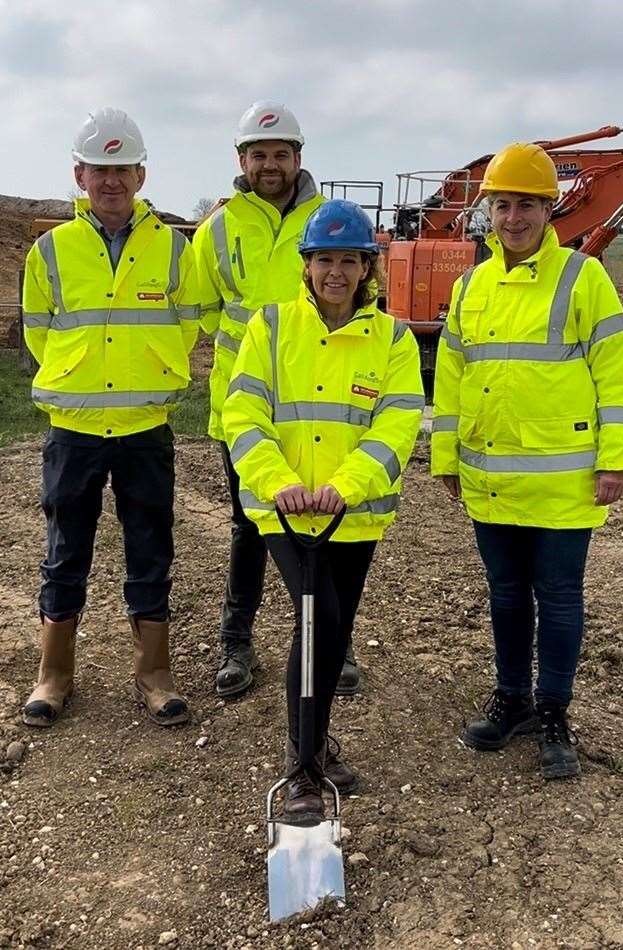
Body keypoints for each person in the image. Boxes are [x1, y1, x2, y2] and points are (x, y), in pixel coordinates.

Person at [431, 142, 623, 779]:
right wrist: (445, 456)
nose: (513, 217)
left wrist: (617, 461)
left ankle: (553, 710)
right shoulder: (470, 287)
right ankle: (513, 699)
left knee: (560, 596)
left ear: (550, 211)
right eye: (503, 205)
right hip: (491, 476)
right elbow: (452, 376)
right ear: (487, 211)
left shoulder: (583, 277)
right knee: (506, 595)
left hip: (564, 478)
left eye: (526, 205)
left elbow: (618, 372)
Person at [222, 199, 424, 822]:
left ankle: (316, 742)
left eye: (349, 261)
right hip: (284, 512)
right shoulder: (271, 327)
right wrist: (277, 481)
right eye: (323, 260)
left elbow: (397, 420)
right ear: (305, 266)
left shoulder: (392, 338)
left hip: (350, 512)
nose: (335, 272)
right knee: (319, 619)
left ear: (368, 268)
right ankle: (302, 768)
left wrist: (348, 483)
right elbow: (243, 411)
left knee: (335, 630)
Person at [21, 107, 200, 728]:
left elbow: (188, 322)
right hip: (73, 430)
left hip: (144, 427)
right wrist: (81, 379)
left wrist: (149, 368)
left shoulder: (174, 248)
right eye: (99, 169)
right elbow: (39, 330)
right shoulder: (51, 249)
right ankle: (53, 676)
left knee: (151, 548)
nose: (111, 181)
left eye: (122, 168)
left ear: (141, 174)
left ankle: (155, 675)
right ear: (80, 175)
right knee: (65, 550)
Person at [194, 101, 366, 700]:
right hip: (243, 406)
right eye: (259, 154)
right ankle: (235, 643)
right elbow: (203, 307)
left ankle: (329, 645)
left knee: (323, 527)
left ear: (299, 157)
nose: (270, 165)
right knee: (250, 524)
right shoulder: (218, 226)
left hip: (319, 404)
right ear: (242, 160)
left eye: (281, 154)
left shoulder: (326, 219)